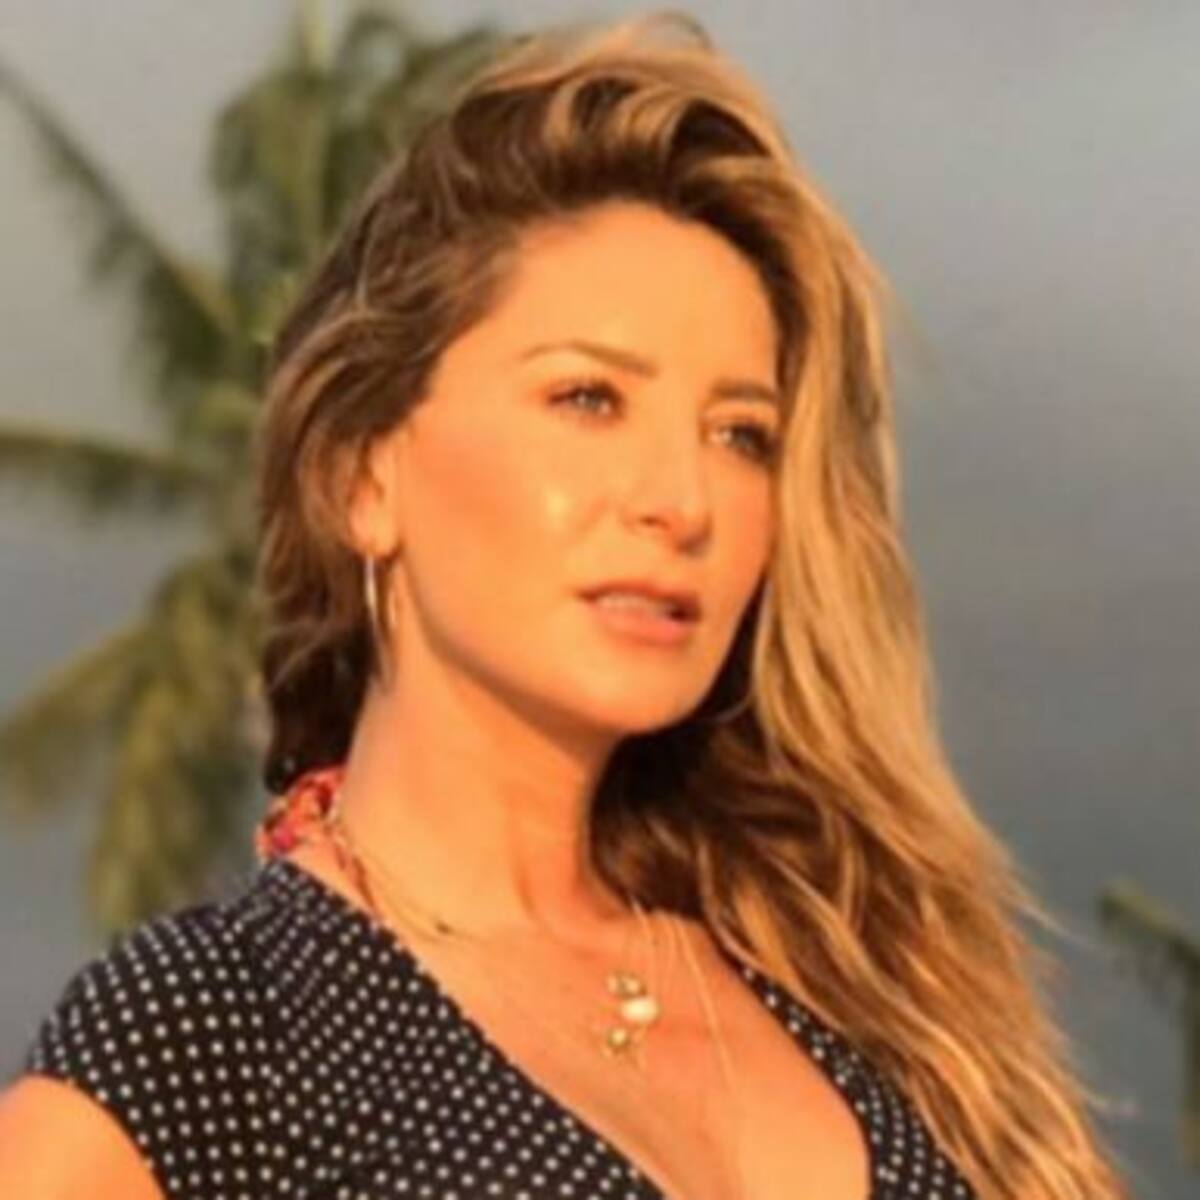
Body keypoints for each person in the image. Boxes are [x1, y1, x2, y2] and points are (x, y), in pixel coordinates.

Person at [0, 10, 1131, 1200]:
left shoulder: (870, 990)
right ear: (360, 477)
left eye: (741, 434)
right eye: (589, 398)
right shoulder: (213, 1037)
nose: (682, 500)